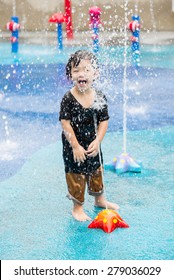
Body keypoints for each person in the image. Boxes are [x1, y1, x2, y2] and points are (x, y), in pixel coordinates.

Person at [59, 50, 119, 222]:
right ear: (70, 74)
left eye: (86, 70)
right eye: (76, 70)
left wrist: (98, 140)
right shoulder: (68, 99)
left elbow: (104, 121)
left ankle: (99, 200)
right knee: (76, 173)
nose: (81, 74)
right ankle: (77, 208)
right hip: (74, 146)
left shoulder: (99, 97)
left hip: (93, 144)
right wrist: (76, 146)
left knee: (96, 170)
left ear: (95, 73)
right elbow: (65, 123)